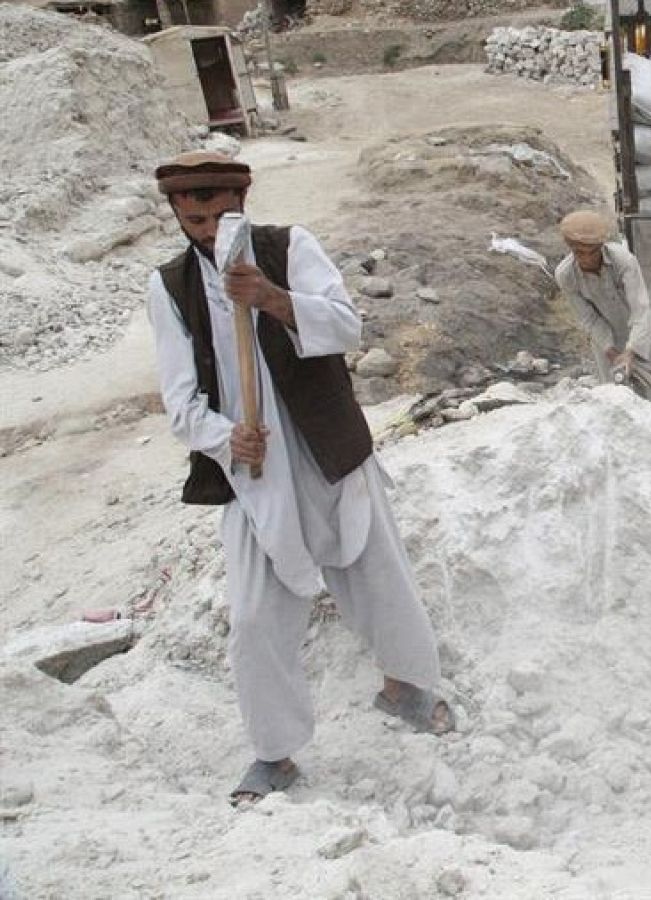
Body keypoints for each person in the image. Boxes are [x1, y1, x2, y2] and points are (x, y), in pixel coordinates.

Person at [146, 151, 453, 807]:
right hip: (251, 470)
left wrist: (274, 299)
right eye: (192, 217)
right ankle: (275, 755)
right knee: (256, 616)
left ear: (242, 203)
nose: (205, 229)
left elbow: (346, 324)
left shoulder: (289, 248)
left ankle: (406, 687)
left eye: (218, 214)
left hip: (326, 447)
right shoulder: (169, 287)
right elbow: (178, 400)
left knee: (377, 573)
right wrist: (225, 436)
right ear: (176, 212)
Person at [553, 210, 651, 407]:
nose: (586, 259)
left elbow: (640, 309)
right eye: (579, 253)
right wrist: (610, 350)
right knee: (615, 398)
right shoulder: (565, 275)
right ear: (571, 249)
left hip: (640, 333)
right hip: (607, 340)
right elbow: (588, 318)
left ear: (601, 247)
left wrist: (632, 351)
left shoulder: (623, 261)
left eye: (592, 252)